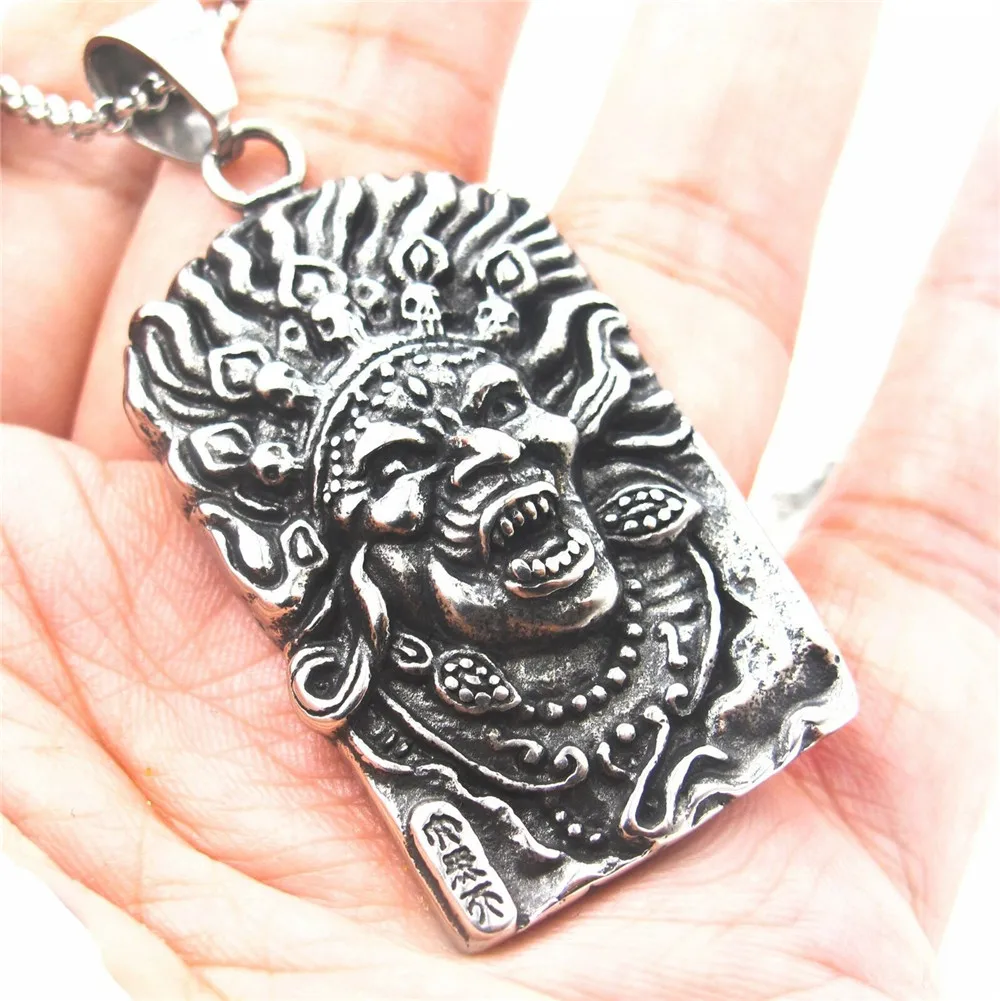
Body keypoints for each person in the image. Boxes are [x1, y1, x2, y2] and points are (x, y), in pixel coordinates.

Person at [1, 2, 996, 998]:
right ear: (345, 549)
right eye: (400, 461)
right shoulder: (449, 773)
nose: (486, 452)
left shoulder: (745, 656)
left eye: (499, 405)